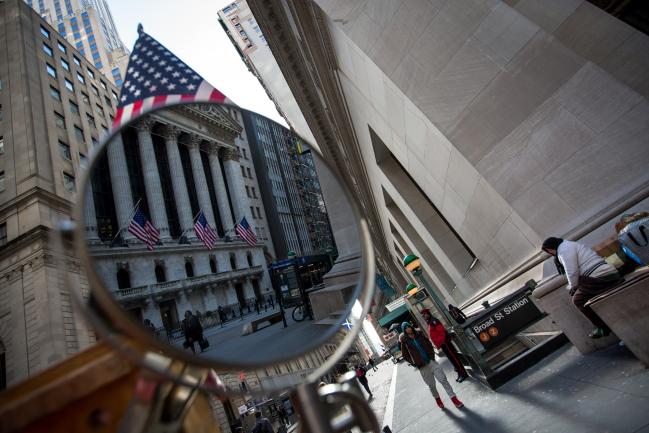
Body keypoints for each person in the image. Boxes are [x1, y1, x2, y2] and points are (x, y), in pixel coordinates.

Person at [542, 237, 621, 339]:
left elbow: (572, 272)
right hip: (609, 273)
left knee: (577, 300)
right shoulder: (570, 244)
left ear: (550, 248)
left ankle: (602, 327)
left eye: (548, 251)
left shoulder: (563, 251)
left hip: (600, 277)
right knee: (580, 292)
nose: (550, 253)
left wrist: (572, 286)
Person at [399, 322, 463, 409]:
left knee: (443, 379)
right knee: (432, 386)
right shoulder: (405, 341)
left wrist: (432, 355)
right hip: (422, 367)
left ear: (411, 327)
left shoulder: (419, 334)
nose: (408, 329)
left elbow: (428, 343)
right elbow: (405, 355)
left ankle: (454, 399)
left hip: (431, 362)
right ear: (404, 330)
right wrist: (414, 363)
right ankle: (438, 400)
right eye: (406, 328)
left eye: (408, 327)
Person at [421, 309, 468, 383]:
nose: (423, 316)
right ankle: (460, 372)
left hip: (445, 343)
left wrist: (442, 341)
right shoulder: (430, 322)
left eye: (424, 315)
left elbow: (441, 331)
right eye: (422, 316)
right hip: (443, 344)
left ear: (427, 314)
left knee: (454, 358)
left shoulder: (434, 320)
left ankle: (463, 373)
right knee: (451, 359)